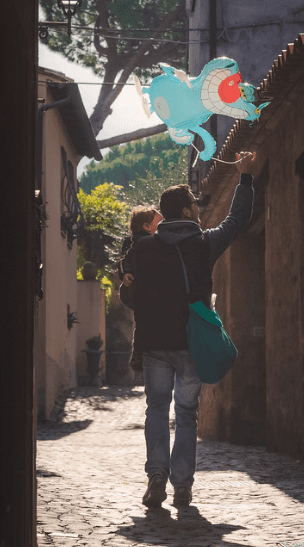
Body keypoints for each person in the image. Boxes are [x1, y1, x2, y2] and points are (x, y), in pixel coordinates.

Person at [132, 151, 257, 508]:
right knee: (186, 413)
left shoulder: (144, 249)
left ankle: (156, 477)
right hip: (190, 342)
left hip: (156, 343)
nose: (199, 209)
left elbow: (132, 295)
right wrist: (245, 179)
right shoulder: (204, 243)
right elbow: (237, 219)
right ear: (186, 212)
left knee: (156, 408)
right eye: (194, 204)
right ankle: (182, 486)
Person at [118, 205, 162, 372]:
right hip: (138, 289)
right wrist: (126, 273)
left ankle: (142, 354)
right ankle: (138, 356)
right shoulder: (134, 241)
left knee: (145, 322)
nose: (163, 225)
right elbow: (125, 258)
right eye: (159, 222)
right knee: (143, 322)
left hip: (149, 289)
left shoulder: (157, 241)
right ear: (146, 226)